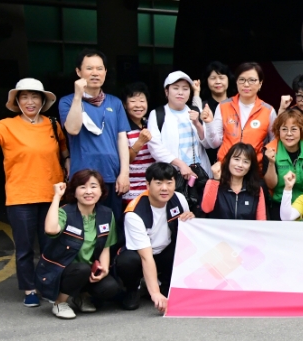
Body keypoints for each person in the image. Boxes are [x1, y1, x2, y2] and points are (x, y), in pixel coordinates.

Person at [0, 79, 66, 307]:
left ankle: (48, 285)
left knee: (51, 245)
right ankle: (30, 289)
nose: (30, 101)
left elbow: (64, 149)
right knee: (25, 248)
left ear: (42, 101)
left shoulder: (53, 124)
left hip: (51, 196)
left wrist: (67, 165)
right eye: (24, 97)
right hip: (20, 196)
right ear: (17, 101)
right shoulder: (7, 125)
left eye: (35, 96)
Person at [36, 170, 120, 320]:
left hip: (86, 272)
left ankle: (81, 296)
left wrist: (105, 268)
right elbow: (50, 229)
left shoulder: (107, 214)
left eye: (93, 186)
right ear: (74, 192)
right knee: (81, 269)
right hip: (60, 271)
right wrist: (56, 197)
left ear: (101, 191)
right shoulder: (65, 212)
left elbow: (106, 246)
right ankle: (59, 303)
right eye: (82, 187)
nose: (88, 191)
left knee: (110, 287)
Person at [59, 49, 129, 221]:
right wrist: (77, 96)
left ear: (105, 72)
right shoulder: (67, 101)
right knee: (83, 226)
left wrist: (124, 172)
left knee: (112, 226)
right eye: (89, 68)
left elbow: (122, 139)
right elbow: (73, 129)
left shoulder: (115, 102)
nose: (95, 73)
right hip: (82, 178)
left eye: (100, 68)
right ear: (78, 72)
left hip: (111, 174)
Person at [116, 163, 195, 313]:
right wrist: (155, 294)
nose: (164, 188)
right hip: (140, 254)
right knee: (128, 261)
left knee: (186, 247)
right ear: (147, 184)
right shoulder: (134, 213)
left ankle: (163, 283)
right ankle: (133, 288)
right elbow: (146, 257)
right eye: (158, 183)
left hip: (164, 251)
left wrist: (190, 217)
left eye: (169, 183)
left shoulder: (179, 199)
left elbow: (188, 231)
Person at [146, 71, 212, 185]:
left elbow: (208, 143)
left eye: (185, 89)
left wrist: (197, 123)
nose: (180, 92)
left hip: (199, 174)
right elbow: (155, 147)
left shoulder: (196, 111)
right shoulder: (157, 114)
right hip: (172, 175)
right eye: (176, 88)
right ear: (167, 91)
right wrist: (181, 165)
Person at [204, 61, 277, 162]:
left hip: (254, 170)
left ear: (260, 83)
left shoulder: (268, 110)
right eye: (242, 80)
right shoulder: (223, 106)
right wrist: (209, 123)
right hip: (226, 167)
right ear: (236, 82)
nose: (246, 84)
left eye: (252, 80)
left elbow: (274, 141)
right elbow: (214, 143)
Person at [263, 109, 303, 220]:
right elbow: (271, 185)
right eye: (284, 129)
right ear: (278, 131)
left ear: (301, 130)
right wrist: (271, 162)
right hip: (278, 203)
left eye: (293, 129)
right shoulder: (270, 149)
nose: (289, 134)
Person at [200, 142, 268, 221]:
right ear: (228, 160)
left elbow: (261, 221)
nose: (240, 165)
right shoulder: (213, 183)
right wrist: (216, 180)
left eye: (246, 161)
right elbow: (206, 209)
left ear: (250, 166)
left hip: (246, 233)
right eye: (236, 159)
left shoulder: (257, 189)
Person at [121, 83, 154, 204]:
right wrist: (140, 142)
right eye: (133, 101)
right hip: (131, 191)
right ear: (125, 105)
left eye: (142, 101)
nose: (138, 105)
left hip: (153, 189)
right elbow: (124, 160)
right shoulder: (121, 129)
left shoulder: (152, 124)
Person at [198, 61, 233, 163]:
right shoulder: (201, 107)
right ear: (207, 81)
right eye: (213, 78)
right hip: (208, 161)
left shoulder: (236, 105)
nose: (218, 82)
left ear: (228, 80)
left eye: (221, 77)